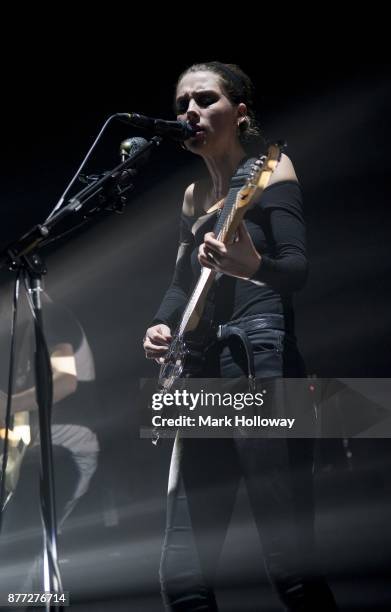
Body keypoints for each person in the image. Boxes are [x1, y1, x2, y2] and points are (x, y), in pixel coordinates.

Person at [143, 62, 338, 611]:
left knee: (291, 569)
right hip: (202, 370)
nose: (190, 113)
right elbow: (181, 285)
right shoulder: (191, 198)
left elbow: (296, 270)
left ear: (241, 112)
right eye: (183, 103)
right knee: (182, 577)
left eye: (206, 100)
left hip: (259, 360)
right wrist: (161, 324)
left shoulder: (270, 171)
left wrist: (250, 267)